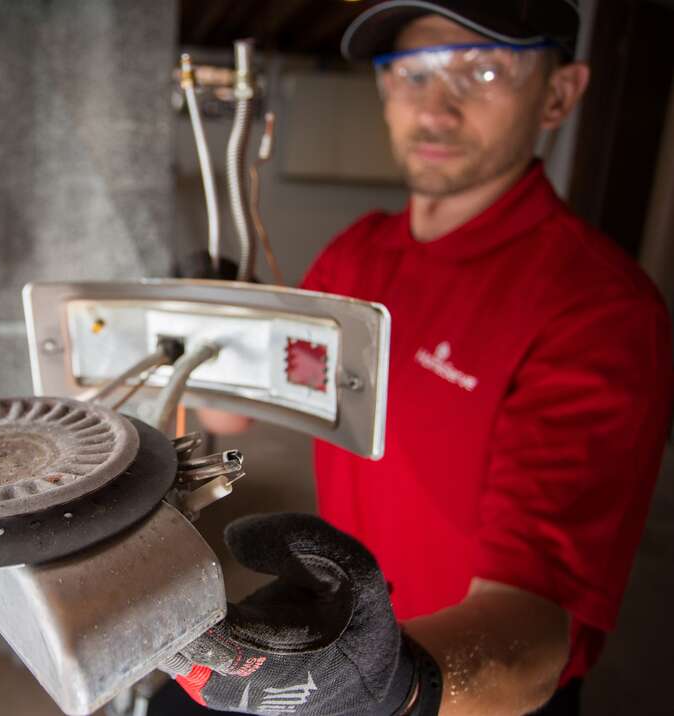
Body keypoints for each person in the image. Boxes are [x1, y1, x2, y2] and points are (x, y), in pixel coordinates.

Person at [158, 2, 673, 715]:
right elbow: (230, 413)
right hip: (344, 629)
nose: (438, 106)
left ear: (559, 95)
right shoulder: (357, 256)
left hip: (458, 685)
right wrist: (213, 330)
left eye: (485, 69)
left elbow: (536, 637)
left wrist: (391, 683)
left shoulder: (596, 309)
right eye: (410, 72)